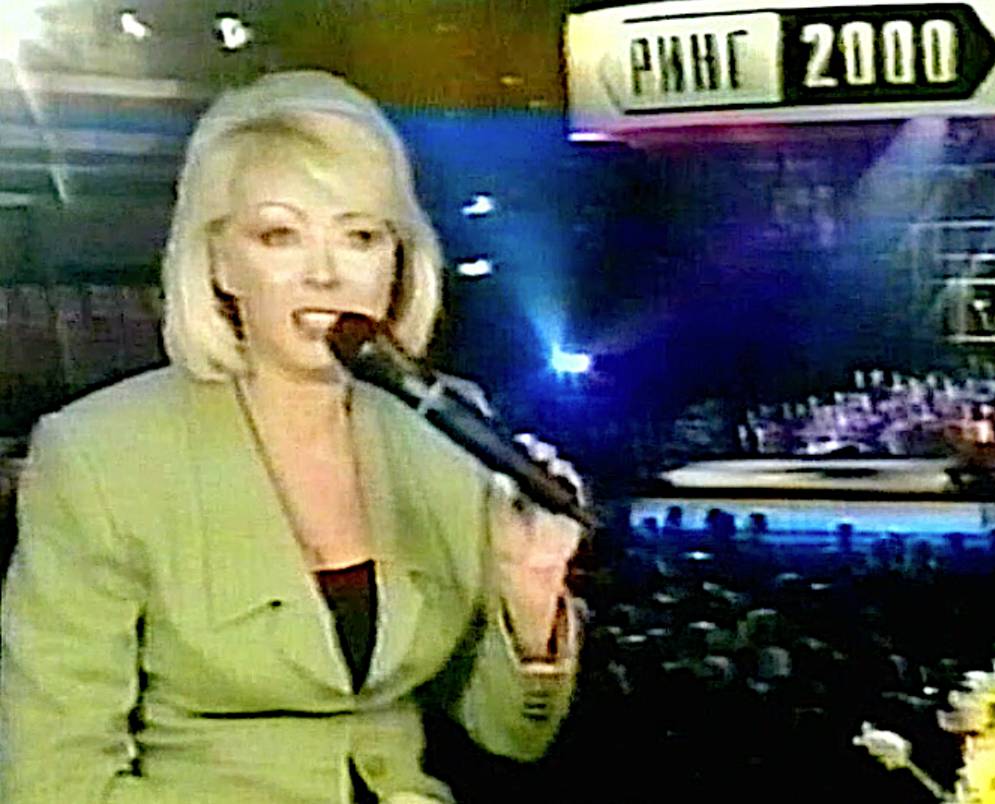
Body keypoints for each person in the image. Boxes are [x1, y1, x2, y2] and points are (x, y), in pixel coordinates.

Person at [0, 71, 583, 803]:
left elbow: (509, 735)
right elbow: (54, 783)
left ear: (398, 260)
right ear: (220, 262)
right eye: (280, 235)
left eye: (361, 236)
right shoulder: (98, 454)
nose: (327, 274)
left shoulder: (442, 426)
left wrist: (528, 601)